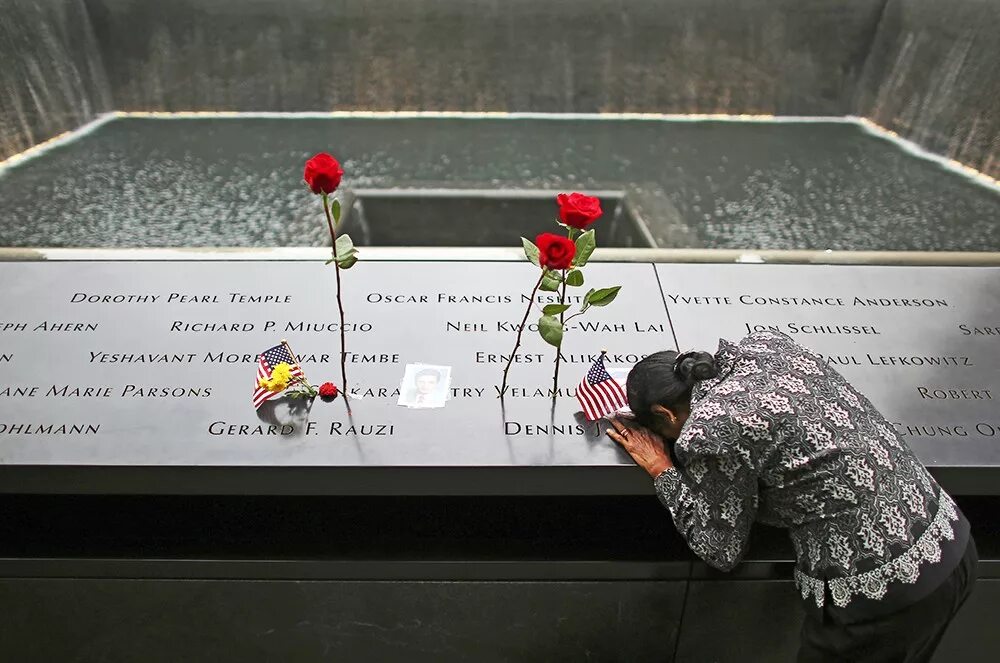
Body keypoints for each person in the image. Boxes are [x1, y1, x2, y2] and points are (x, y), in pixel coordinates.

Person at [607, 330, 976, 663]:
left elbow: (720, 548)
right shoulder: (766, 346)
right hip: (950, 540)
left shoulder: (710, 428)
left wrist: (662, 469)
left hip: (881, 598)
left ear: (664, 414)